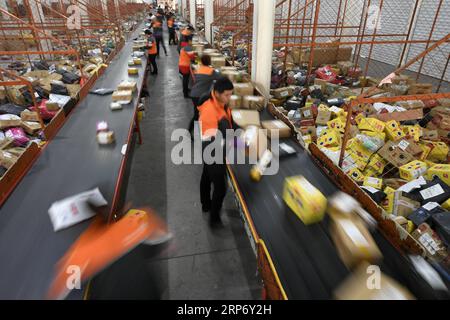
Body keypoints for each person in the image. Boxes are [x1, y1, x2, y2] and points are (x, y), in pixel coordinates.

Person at [197, 77, 235, 228]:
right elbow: (213, 141)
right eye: (227, 95)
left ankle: (205, 204)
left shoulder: (221, 103)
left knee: (206, 176)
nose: (229, 97)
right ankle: (214, 219)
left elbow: (228, 122)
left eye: (231, 94)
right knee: (220, 188)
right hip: (212, 151)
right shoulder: (209, 111)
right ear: (217, 93)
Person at [188, 54, 221, 132]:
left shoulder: (198, 69)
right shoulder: (211, 71)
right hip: (200, 96)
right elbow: (220, 77)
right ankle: (193, 131)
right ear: (209, 61)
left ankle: (193, 130)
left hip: (193, 94)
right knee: (199, 114)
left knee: (198, 113)